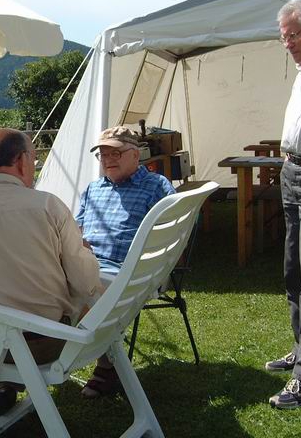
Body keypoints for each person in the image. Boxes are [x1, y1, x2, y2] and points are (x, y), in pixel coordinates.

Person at [0, 128, 103, 425]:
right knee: (26, 311)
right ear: (22, 161)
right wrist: (82, 254)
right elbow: (86, 282)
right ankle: (6, 388)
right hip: (44, 343)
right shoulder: (48, 206)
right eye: (33, 160)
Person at [75, 125, 175, 398]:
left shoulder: (156, 186)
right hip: (86, 264)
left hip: (126, 271)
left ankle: (104, 366)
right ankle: (38, 353)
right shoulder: (93, 188)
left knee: (76, 292)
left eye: (115, 153)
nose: (108, 160)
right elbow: (76, 228)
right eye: (103, 154)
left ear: (135, 154)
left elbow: (173, 232)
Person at [267, 0, 301, 410]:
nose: (287, 44)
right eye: (283, 37)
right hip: (293, 172)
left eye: (293, 35)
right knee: (293, 269)